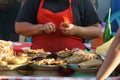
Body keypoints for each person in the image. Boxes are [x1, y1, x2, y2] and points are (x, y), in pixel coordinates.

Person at [15, 0, 101, 53]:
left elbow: (97, 31)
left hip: (75, 60)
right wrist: (41, 28)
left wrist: (75, 30)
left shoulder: (82, 1)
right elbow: (19, 27)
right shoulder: (34, 1)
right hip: (39, 60)